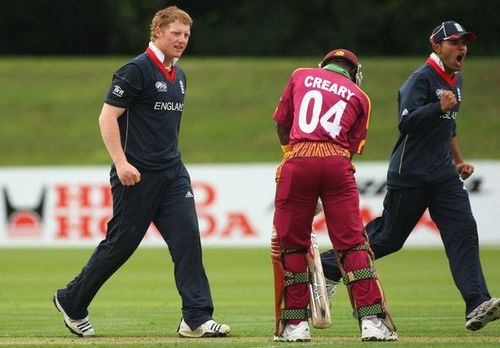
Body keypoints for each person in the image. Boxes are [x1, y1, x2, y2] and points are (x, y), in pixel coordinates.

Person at [52, 6, 230, 338]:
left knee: (188, 238)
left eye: (187, 35)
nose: (182, 40)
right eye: (176, 33)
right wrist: (121, 163)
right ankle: (71, 301)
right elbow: (107, 118)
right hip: (136, 175)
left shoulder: (180, 76)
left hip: (173, 173)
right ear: (158, 31)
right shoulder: (136, 70)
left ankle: (195, 318)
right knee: (120, 245)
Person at [321, 20, 500, 331]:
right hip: (411, 174)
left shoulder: (454, 78)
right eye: (454, 42)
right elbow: (407, 122)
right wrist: (436, 105)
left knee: (463, 233)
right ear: (436, 46)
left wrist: (458, 160)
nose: (462, 48)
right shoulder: (420, 79)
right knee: (389, 238)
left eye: (464, 42)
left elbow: (449, 124)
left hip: (443, 175)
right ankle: (327, 266)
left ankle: (477, 303)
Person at [271, 49, 398, 342]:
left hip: (298, 161)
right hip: (337, 163)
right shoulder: (361, 96)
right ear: (354, 73)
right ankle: (371, 322)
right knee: (352, 243)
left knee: (292, 244)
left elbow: (281, 123)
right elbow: (350, 149)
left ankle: (295, 326)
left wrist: (293, 157)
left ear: (324, 66)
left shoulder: (300, 75)